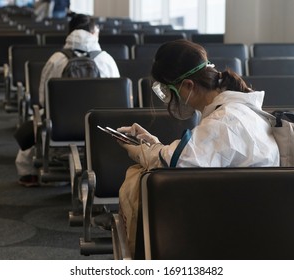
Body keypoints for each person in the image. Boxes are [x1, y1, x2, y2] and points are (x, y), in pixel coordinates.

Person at [116, 39, 280, 256]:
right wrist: (154, 145)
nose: (171, 99)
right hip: (265, 226)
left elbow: (174, 164)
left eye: (169, 91)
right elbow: (193, 155)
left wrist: (140, 151)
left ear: (188, 86)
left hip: (233, 231)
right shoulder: (239, 109)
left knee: (139, 179)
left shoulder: (224, 121)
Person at [15, 13, 120, 187]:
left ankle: (28, 173)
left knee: (36, 123)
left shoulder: (56, 60)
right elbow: (117, 101)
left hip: (61, 128)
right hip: (99, 126)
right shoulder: (106, 60)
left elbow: (43, 99)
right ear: (94, 32)